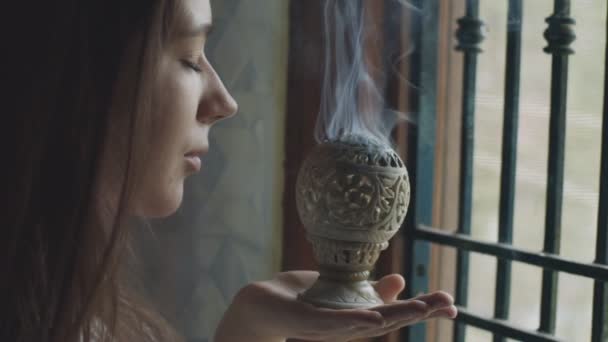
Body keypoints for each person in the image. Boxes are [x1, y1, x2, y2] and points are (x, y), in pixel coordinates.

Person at [0, 0, 457, 341]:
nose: (224, 103)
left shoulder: (72, 309)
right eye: (190, 58)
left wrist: (250, 327)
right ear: (75, 77)